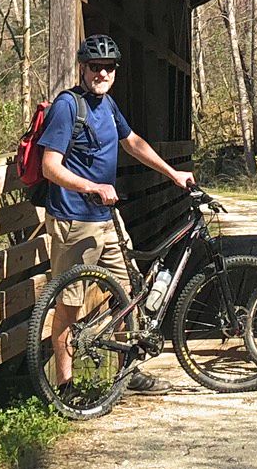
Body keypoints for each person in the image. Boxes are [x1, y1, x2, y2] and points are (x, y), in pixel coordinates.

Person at [37, 34, 196, 393]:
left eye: (109, 67)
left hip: (108, 218)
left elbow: (133, 142)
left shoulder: (107, 105)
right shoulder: (68, 106)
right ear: (83, 68)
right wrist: (90, 187)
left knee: (129, 290)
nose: (102, 73)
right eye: (96, 66)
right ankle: (66, 384)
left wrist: (173, 174)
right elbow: (50, 167)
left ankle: (129, 370)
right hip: (74, 220)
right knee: (70, 303)